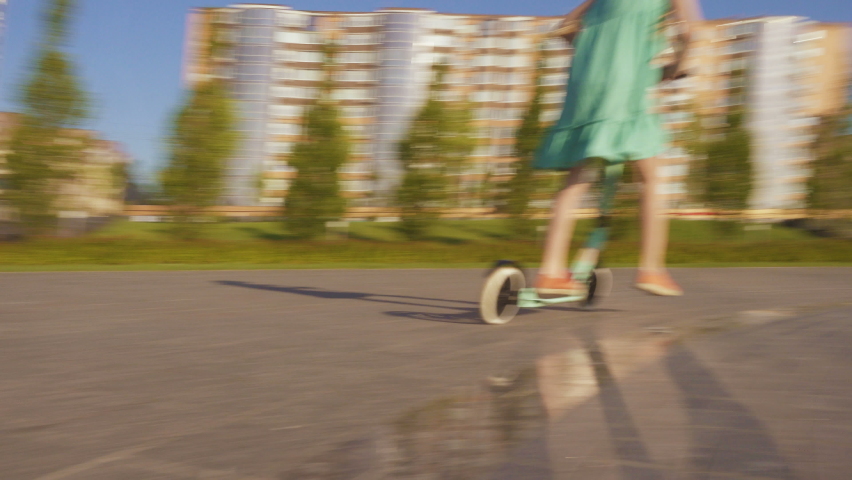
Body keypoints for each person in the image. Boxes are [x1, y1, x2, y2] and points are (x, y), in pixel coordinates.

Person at [533, 0, 702, 297]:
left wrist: (600, 50)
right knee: (650, 177)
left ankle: (551, 270)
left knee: (577, 177)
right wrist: (676, 67)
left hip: (585, 86)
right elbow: (691, 35)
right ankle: (651, 268)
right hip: (627, 85)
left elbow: (564, 29)